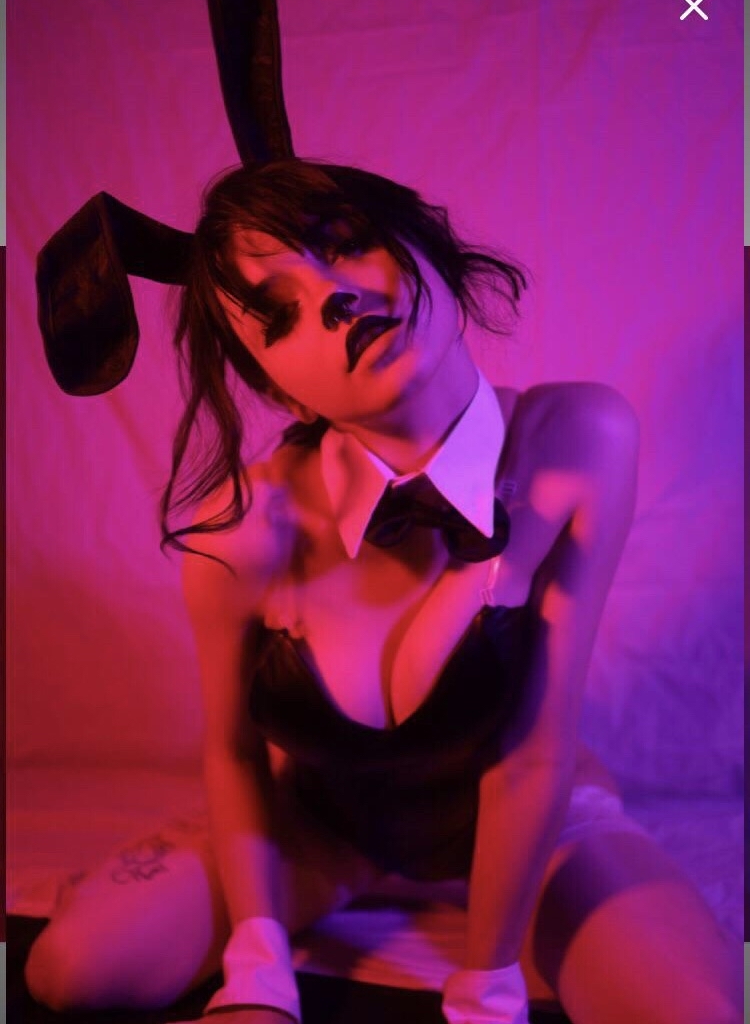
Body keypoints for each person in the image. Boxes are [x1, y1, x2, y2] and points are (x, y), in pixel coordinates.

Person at [25, 160, 741, 1024]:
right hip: (321, 830)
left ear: (424, 233)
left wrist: (487, 981)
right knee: (72, 967)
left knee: (691, 1011)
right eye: (280, 315)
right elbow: (232, 751)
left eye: (345, 242)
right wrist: (258, 964)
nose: (334, 299)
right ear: (276, 388)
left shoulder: (578, 441)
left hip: (542, 826)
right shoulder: (244, 529)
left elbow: (535, 746)